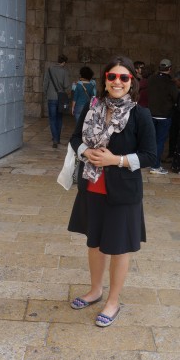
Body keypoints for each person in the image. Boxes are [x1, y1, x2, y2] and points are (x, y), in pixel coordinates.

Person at [67, 55, 156, 327]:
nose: (117, 82)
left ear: (132, 82)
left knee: (118, 247)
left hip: (123, 193)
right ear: (104, 80)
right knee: (94, 243)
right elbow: (74, 138)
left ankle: (113, 301)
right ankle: (95, 290)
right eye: (112, 76)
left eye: (124, 77)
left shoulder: (140, 114)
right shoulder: (92, 107)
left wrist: (115, 160)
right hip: (92, 187)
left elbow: (150, 156)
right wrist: (86, 151)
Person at [146, 59, 179, 175]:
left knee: (152, 140)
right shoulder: (170, 83)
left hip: (151, 114)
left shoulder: (151, 80)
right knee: (160, 141)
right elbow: (176, 98)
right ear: (170, 69)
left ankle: (151, 162)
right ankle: (155, 166)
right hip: (164, 116)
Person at [43, 54, 71, 148]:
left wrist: (45, 93)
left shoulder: (50, 69)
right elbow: (67, 86)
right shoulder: (64, 71)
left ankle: (55, 138)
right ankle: (57, 138)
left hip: (51, 97)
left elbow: (45, 83)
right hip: (61, 98)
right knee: (59, 118)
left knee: (52, 119)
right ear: (63, 62)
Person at [165, 70, 180, 161]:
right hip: (176, 116)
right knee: (173, 136)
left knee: (176, 136)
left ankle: (174, 155)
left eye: (176, 81)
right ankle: (173, 155)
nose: (174, 83)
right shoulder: (178, 89)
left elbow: (179, 105)